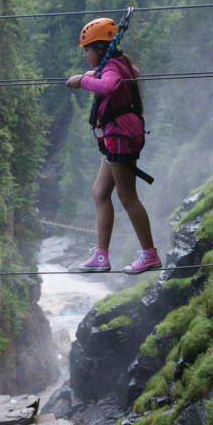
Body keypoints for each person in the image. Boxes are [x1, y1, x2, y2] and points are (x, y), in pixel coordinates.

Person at [66, 18, 162, 275]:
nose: (85, 55)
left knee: (127, 197)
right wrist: (92, 73)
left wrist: (83, 81)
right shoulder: (119, 62)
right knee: (100, 192)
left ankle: (150, 254)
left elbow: (108, 85)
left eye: (87, 50)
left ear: (98, 48)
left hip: (120, 135)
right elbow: (132, 72)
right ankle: (101, 255)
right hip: (117, 135)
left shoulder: (111, 67)